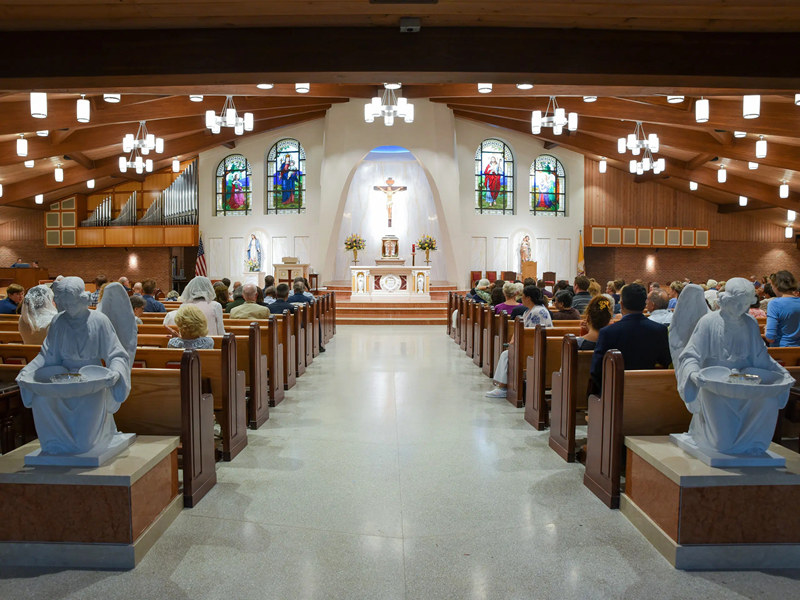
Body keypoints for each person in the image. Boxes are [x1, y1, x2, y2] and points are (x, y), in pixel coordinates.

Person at [673, 278, 794, 455]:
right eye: (737, 304)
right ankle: (719, 439)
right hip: (716, 387)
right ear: (725, 299)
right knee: (724, 443)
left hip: (746, 384)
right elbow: (691, 355)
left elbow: (761, 357)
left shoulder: (750, 324)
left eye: (745, 304)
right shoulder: (708, 322)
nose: (742, 309)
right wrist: (693, 374)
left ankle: (753, 445)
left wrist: (781, 372)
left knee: (768, 400)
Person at [16, 277, 133, 455]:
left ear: (82, 299)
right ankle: (55, 444)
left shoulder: (99, 320)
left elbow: (116, 353)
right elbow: (47, 355)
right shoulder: (58, 322)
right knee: (42, 399)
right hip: (62, 378)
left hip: (91, 379)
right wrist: (28, 370)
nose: (64, 307)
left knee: (84, 434)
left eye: (69, 303)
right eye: (61, 302)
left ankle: (83, 443)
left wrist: (116, 373)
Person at [590, 283, 671, 390]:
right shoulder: (659, 330)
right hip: (647, 391)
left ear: (622, 305)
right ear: (644, 305)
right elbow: (665, 362)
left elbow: (596, 370)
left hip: (614, 391)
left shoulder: (608, 332)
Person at [486, 285, 553, 398]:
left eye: (523, 296)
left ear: (528, 298)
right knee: (507, 353)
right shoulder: (530, 310)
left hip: (536, 347)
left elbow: (530, 335)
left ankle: (502, 387)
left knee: (506, 354)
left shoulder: (538, 311)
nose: (521, 298)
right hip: (532, 344)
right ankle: (502, 386)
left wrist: (514, 345)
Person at [765, 269, 800, 347]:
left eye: (772, 286)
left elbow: (770, 338)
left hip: (781, 352)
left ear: (776, 286)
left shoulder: (775, 304)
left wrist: (766, 329)